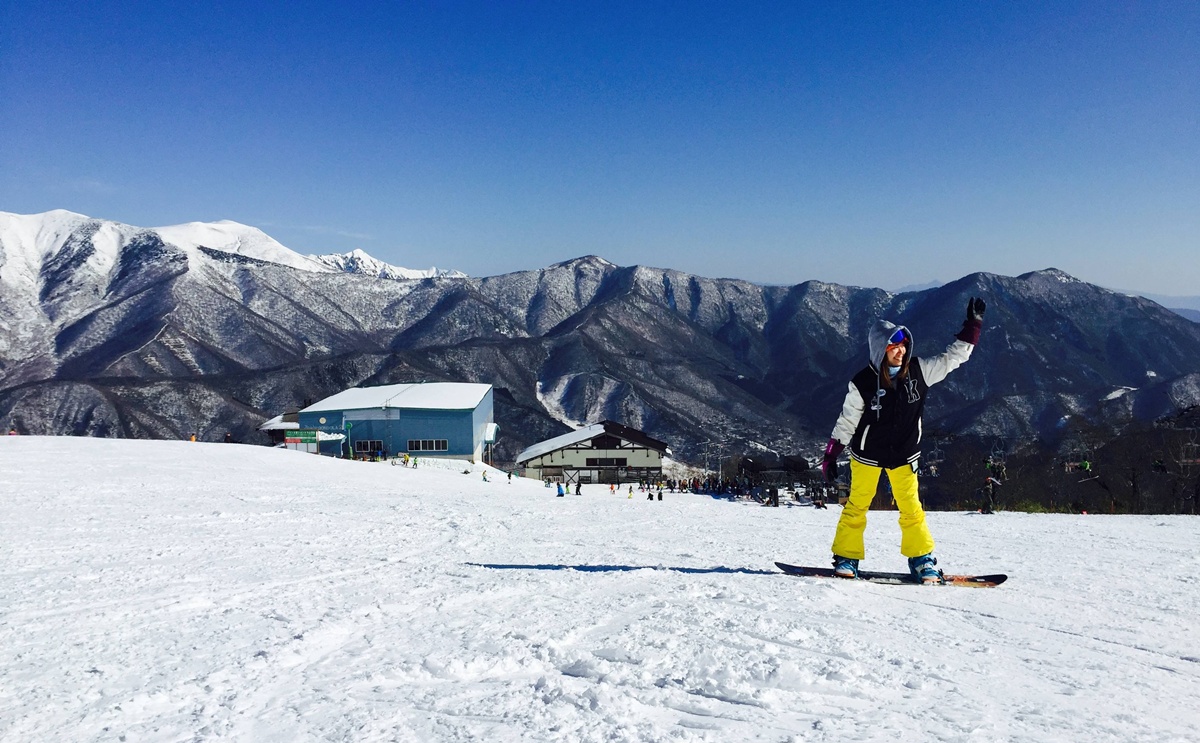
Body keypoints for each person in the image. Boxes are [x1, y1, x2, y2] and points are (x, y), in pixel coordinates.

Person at [821, 297, 986, 584]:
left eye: (903, 344)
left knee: (911, 508)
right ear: (880, 350)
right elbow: (848, 419)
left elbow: (953, 357)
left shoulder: (920, 371)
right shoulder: (862, 382)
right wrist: (832, 454)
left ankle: (922, 559)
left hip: (904, 455)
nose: (901, 350)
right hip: (867, 454)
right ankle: (847, 556)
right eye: (893, 346)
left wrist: (973, 327)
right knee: (857, 506)